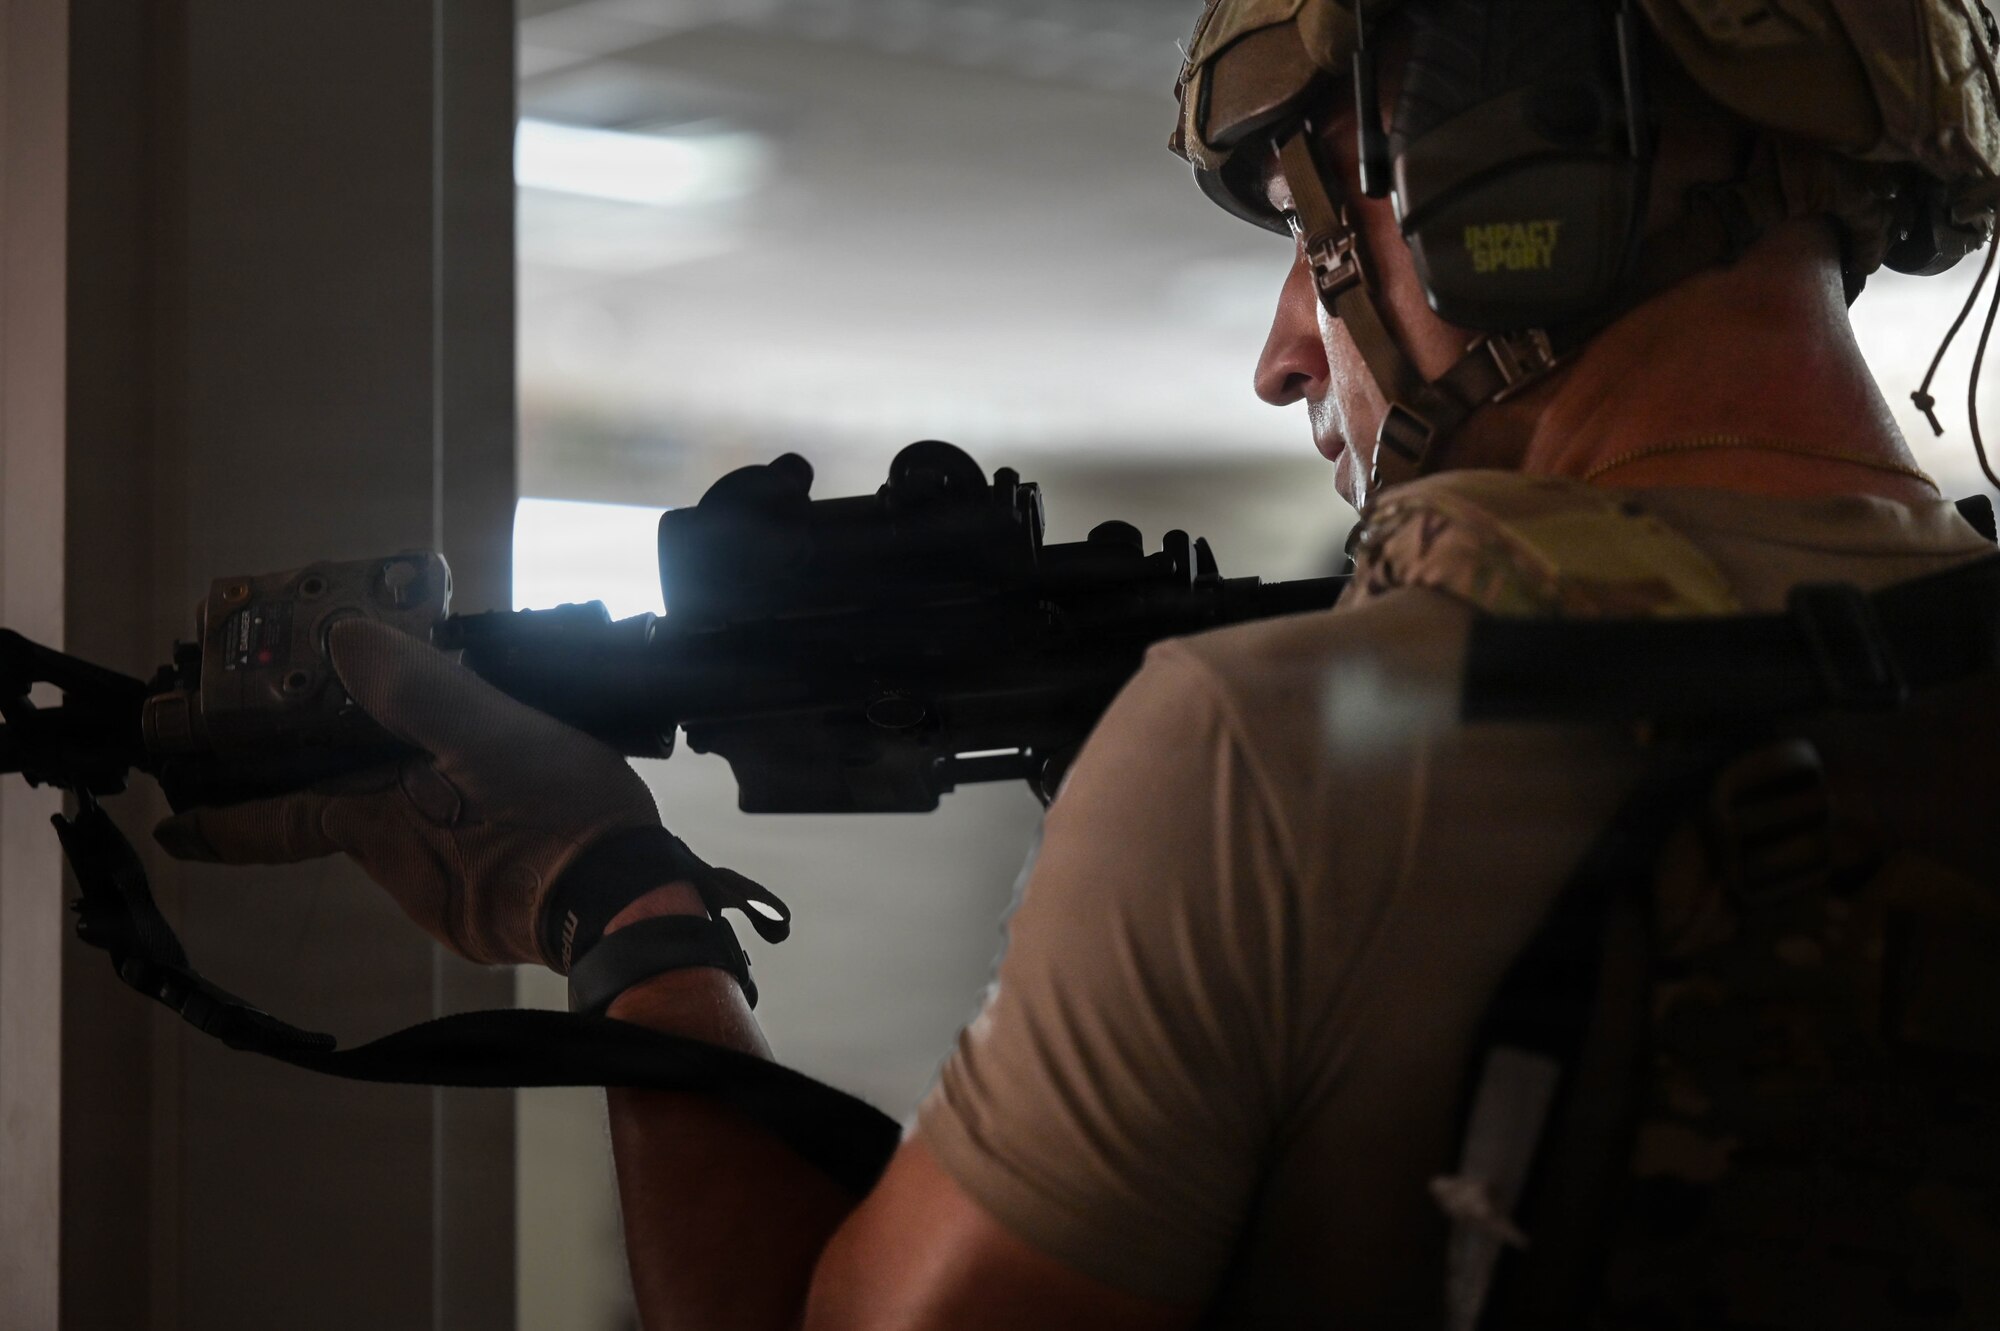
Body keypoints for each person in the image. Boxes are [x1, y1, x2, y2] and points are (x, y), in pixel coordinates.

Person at [157, 0, 2000, 1325]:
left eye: (1308, 235)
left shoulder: (1266, 759)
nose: (1289, 357)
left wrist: (619, 912)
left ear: (1501, 167)